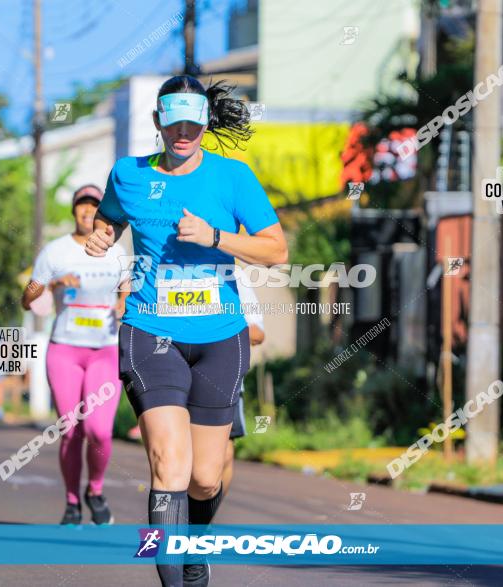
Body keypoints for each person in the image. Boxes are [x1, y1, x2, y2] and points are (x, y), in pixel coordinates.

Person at [86, 75, 287, 587]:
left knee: (205, 477)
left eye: (193, 124)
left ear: (205, 124)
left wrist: (217, 237)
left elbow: (277, 251)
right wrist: (102, 238)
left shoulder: (233, 177)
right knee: (169, 466)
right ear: (157, 122)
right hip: (150, 331)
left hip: (220, 337)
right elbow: (110, 219)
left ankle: (195, 543)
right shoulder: (128, 174)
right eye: (173, 122)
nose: (183, 133)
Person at [22, 184, 127, 526]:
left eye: (94, 206)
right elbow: (28, 298)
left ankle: (94, 491)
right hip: (65, 349)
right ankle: (71, 502)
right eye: (82, 205)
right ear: (73, 211)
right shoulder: (54, 252)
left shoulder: (118, 253)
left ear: (102, 213)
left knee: (99, 431)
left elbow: (128, 294)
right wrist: (51, 284)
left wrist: (122, 307)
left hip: (105, 351)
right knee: (70, 429)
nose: (87, 211)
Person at [221, 269, 265, 494]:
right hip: (182, 374)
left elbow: (258, 333)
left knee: (225, 455)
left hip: (226, 378)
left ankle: (203, 521)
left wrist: (220, 328)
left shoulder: (235, 275)